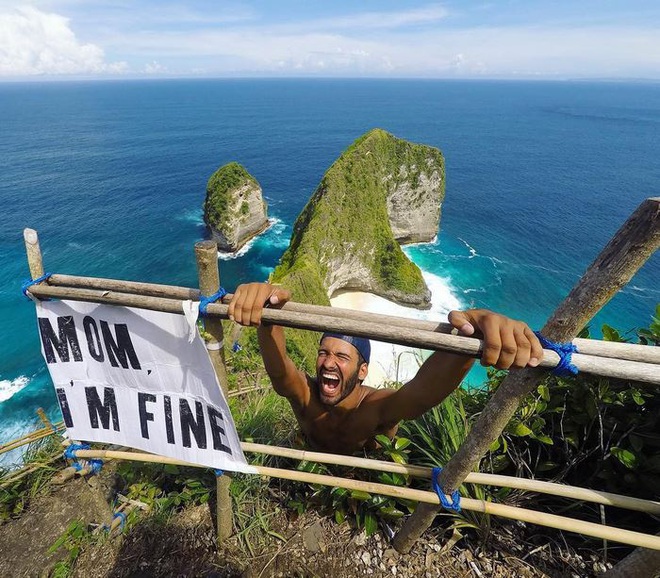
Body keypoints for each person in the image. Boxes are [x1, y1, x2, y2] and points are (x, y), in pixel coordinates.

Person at [228, 283, 543, 455]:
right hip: (308, 467)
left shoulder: (376, 408)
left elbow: (420, 395)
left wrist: (471, 335)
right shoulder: (305, 395)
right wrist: (266, 310)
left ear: (363, 371)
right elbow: (281, 372)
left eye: (342, 357)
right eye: (323, 353)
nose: (328, 362)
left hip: (364, 483)